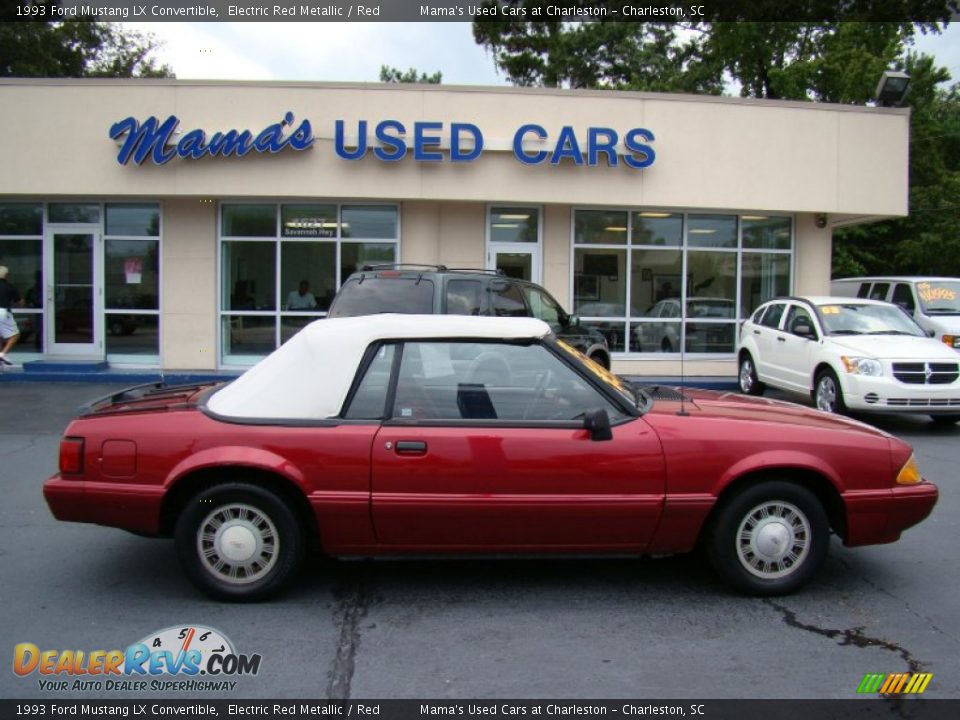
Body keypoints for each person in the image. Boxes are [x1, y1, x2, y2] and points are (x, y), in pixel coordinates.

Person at [0, 266, 24, 365]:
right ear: (6, 275)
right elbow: (20, 302)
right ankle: (3, 354)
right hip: (2, 312)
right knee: (15, 334)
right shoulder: (9, 286)